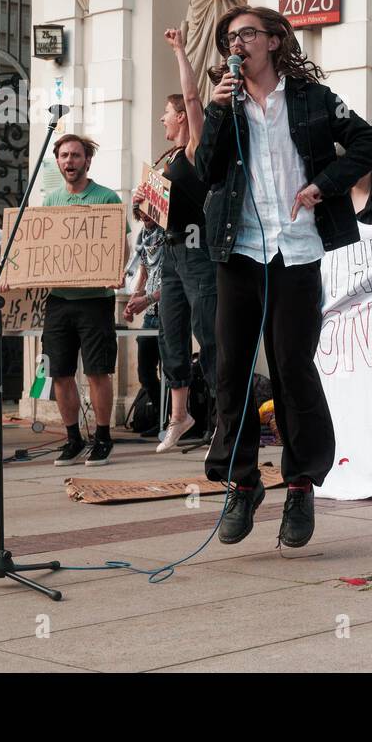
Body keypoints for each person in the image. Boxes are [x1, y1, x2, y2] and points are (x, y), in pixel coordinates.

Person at [194, 4, 372, 549]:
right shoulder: (225, 104)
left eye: (248, 34)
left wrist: (324, 184)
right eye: (231, 36)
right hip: (239, 250)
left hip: (296, 251)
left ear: (275, 41)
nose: (238, 43)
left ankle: (300, 483)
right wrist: (212, 115)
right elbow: (205, 173)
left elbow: (371, 144)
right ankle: (242, 482)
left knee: (292, 367)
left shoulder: (312, 100)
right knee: (229, 368)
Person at [140, 27, 218, 452]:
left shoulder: (193, 150)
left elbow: (192, 99)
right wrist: (142, 204)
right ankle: (179, 415)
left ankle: (224, 419)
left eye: (166, 114)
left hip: (198, 252)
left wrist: (180, 52)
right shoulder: (164, 160)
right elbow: (154, 219)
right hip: (171, 253)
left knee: (208, 335)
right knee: (170, 335)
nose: (162, 120)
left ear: (183, 119)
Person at [43, 134, 123, 468]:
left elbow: (121, 243)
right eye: (63, 156)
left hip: (95, 299)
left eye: (76, 155)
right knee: (60, 372)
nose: (69, 161)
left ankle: (102, 437)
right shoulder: (50, 200)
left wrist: (116, 269)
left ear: (87, 161)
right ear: (57, 161)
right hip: (59, 299)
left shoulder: (106, 198)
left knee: (97, 371)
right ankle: (73, 438)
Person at [123, 220, 166, 437]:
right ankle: (161, 416)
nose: (145, 218)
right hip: (150, 314)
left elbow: (173, 280)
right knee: (145, 371)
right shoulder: (143, 235)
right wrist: (133, 301)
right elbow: (144, 274)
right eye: (140, 213)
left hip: (170, 310)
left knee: (171, 370)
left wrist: (146, 299)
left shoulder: (168, 233)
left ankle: (172, 419)